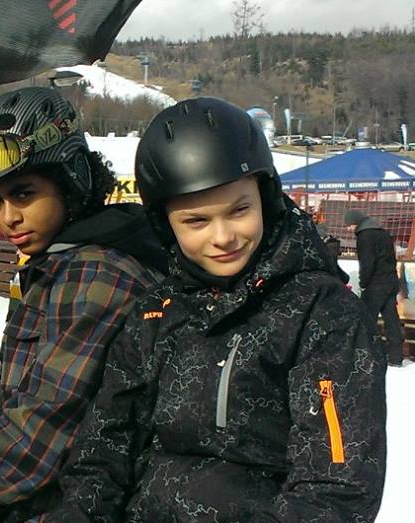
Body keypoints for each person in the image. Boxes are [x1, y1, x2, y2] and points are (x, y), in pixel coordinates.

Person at [52, 97, 386, 521]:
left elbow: (336, 487)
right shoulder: (156, 314)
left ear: (265, 198)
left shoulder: (321, 314)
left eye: (239, 210)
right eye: (196, 221)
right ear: (166, 225)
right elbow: (105, 446)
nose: (223, 236)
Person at [0, 87, 168, 521]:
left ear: (71, 179)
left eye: (24, 194)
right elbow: (15, 395)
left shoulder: (94, 277)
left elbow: (35, 438)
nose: (7, 217)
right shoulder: (63, 264)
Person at [344, 208, 405, 366]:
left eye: (349, 225)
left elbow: (367, 263)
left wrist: (363, 283)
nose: (348, 229)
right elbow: (392, 258)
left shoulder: (364, 236)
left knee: (366, 320)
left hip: (375, 284)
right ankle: (396, 357)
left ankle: (367, 354)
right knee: (391, 320)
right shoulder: (383, 233)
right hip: (391, 280)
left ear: (355, 222)